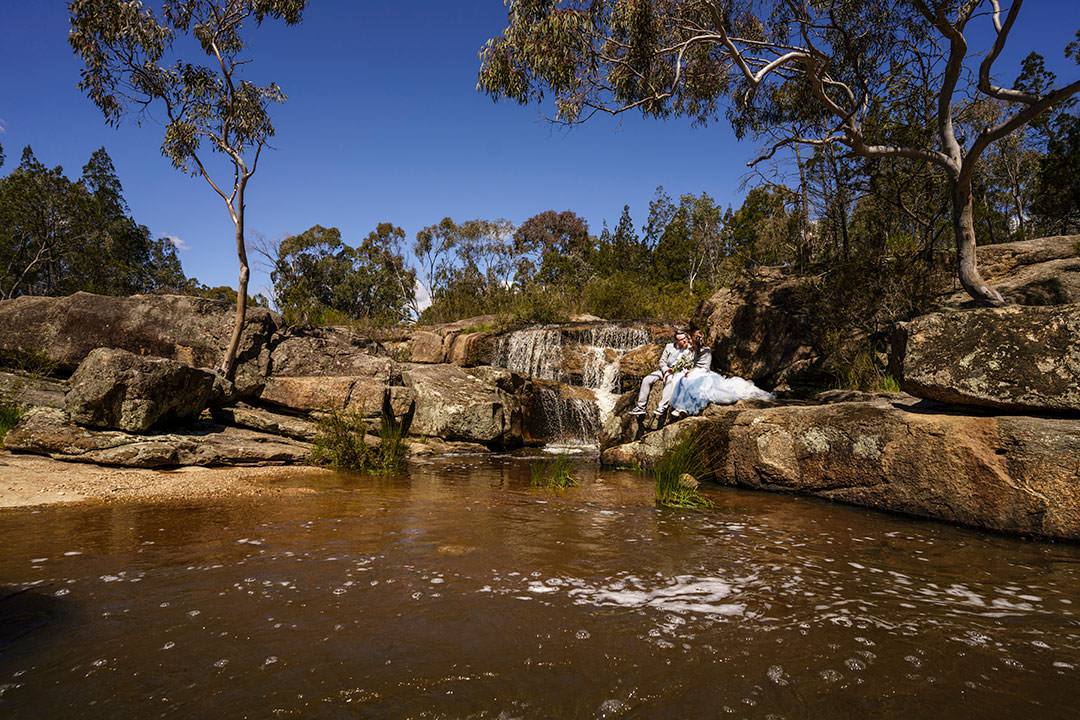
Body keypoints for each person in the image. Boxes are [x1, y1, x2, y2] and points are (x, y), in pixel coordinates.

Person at [667, 330, 773, 417]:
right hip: (696, 372)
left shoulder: (706, 350)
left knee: (690, 383)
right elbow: (693, 363)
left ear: (695, 339)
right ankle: (681, 408)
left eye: (690, 339)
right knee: (683, 380)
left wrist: (692, 372)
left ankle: (684, 408)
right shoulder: (694, 350)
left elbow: (704, 367)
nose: (688, 341)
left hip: (703, 373)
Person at [627, 329, 691, 416]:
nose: (684, 340)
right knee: (646, 380)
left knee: (669, 380)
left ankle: (662, 407)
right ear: (676, 341)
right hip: (665, 370)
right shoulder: (669, 347)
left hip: (677, 372)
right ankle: (641, 407)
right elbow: (662, 361)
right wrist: (666, 370)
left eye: (685, 338)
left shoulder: (690, 349)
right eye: (681, 339)